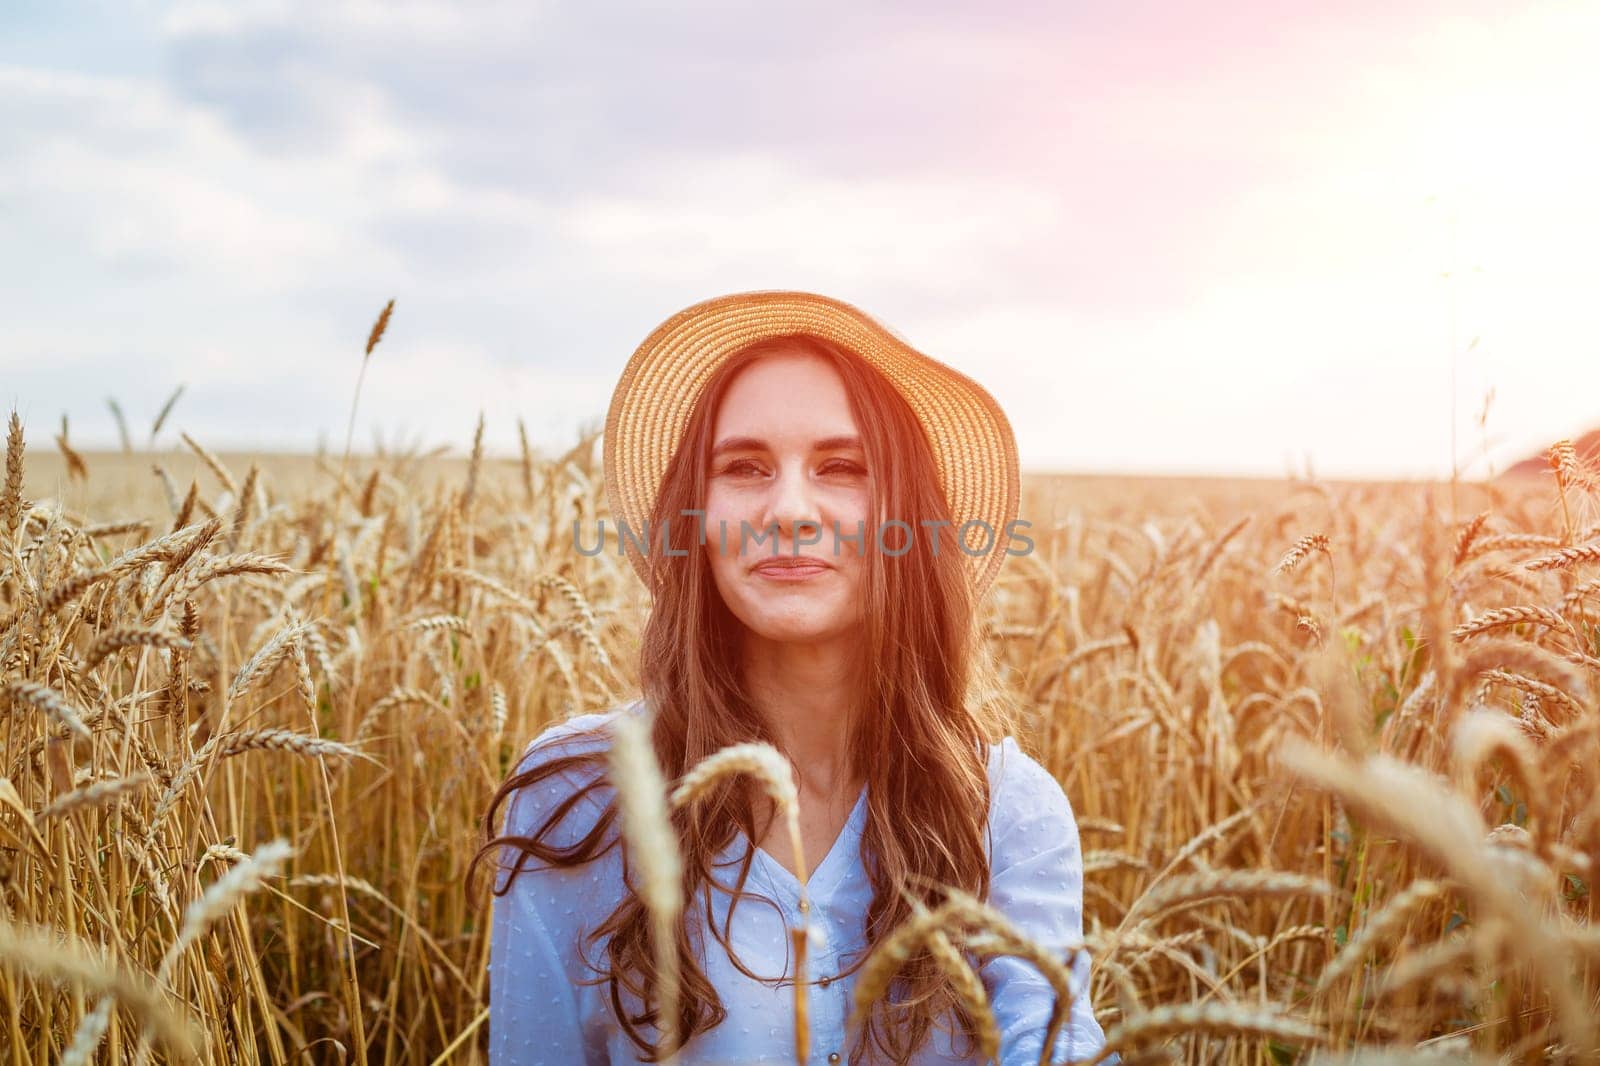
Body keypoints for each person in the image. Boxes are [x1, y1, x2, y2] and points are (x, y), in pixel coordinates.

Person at [470, 291, 1109, 1064]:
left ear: (908, 513)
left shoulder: (1007, 814)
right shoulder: (574, 798)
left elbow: (1052, 1045)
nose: (789, 509)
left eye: (842, 467)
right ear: (695, 516)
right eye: (744, 467)